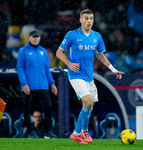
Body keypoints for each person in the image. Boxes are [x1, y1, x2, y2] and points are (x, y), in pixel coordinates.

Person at [56, 9, 124, 144]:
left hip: (89, 77)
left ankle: (75, 134)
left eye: (91, 19)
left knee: (89, 107)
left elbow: (100, 55)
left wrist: (113, 69)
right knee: (88, 102)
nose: (89, 21)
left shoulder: (96, 36)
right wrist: (69, 64)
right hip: (75, 75)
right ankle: (84, 132)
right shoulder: (72, 35)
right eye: (86, 18)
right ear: (80, 20)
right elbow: (59, 52)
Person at [17, 29, 58, 138]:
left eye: (37, 37)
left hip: (43, 85)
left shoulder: (43, 51)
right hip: (29, 85)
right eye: (33, 37)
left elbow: (46, 69)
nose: (35, 39)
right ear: (29, 38)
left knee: (48, 107)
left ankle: (48, 131)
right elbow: (20, 68)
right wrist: (24, 84)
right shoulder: (23, 51)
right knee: (27, 108)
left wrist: (52, 83)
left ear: (40, 38)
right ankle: (30, 132)